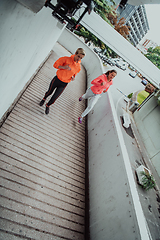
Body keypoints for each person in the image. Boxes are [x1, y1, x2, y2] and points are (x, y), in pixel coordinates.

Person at [39, 48, 86, 114]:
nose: (79, 59)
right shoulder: (66, 59)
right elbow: (55, 65)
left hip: (64, 83)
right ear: (75, 53)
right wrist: (63, 67)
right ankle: (44, 98)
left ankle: (48, 105)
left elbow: (75, 73)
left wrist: (73, 77)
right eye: (78, 56)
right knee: (49, 92)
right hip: (57, 79)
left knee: (55, 97)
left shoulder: (78, 67)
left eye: (81, 58)